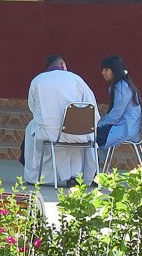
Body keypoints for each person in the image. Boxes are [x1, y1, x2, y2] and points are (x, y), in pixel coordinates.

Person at [22, 54, 99, 187]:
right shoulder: (76, 79)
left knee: (31, 129)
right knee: (77, 136)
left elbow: (33, 108)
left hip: (50, 133)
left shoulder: (38, 80)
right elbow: (91, 106)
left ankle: (34, 176)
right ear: (63, 64)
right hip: (79, 132)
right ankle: (75, 176)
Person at [97, 55, 142, 157]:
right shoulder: (122, 85)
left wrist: (99, 125)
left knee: (90, 138)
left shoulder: (122, 88)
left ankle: (94, 169)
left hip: (126, 129)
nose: (103, 73)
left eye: (106, 70)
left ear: (115, 71)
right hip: (126, 127)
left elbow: (116, 115)